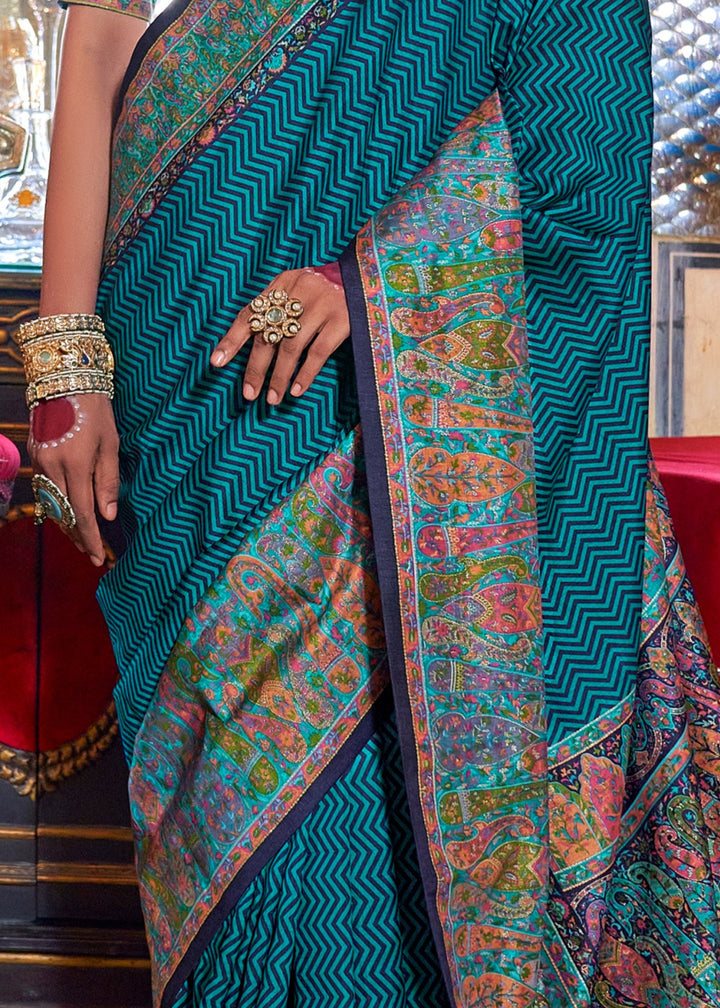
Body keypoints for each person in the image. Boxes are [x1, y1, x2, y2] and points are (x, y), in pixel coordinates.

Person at [23, 0, 720, 1006]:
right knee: (218, 813)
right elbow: (97, 31)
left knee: (360, 840)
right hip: (182, 346)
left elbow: (582, 192)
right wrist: (64, 361)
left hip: (388, 414)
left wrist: (382, 283)